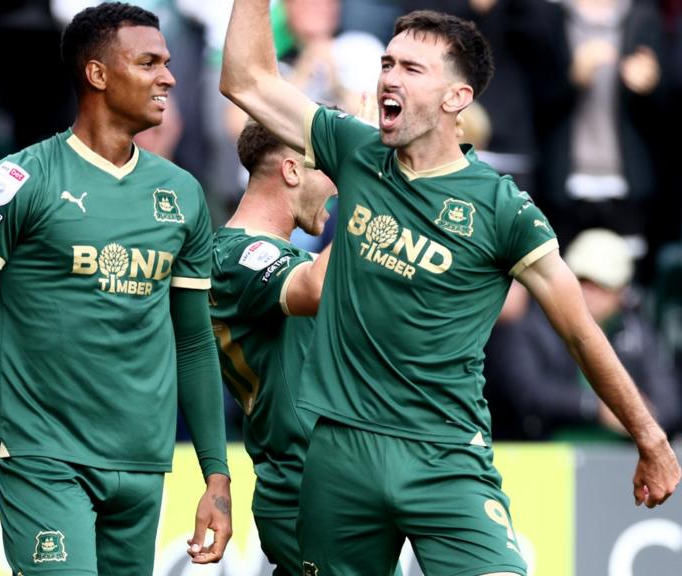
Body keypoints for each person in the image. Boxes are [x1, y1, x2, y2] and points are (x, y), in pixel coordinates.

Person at [220, 4, 680, 575]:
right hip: (340, 455)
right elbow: (245, 80)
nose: (388, 76)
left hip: (445, 455)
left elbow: (581, 333)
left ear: (456, 98)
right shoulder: (355, 150)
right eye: (387, 63)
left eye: (412, 69)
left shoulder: (504, 209)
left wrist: (650, 437)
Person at [0, 3, 232, 573]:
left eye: (168, 62)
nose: (169, 77)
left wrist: (216, 475)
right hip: (44, 458)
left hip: (142, 468)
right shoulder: (20, 181)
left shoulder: (182, 194)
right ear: (98, 74)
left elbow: (196, 343)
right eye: (149, 62)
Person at [210, 120, 336, 574]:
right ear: (291, 170)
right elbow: (315, 291)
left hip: (336, 486)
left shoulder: (296, 259)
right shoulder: (236, 258)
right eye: (331, 168)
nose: (339, 186)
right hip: (303, 490)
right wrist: (374, 188)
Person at [487, 228, 681, 441]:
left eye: (602, 285)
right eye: (581, 280)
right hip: (539, 455)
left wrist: (641, 419)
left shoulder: (639, 332)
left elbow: (668, 403)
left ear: (622, 293)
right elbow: (524, 393)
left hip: (624, 460)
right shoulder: (529, 324)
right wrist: (596, 407)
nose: (589, 293)